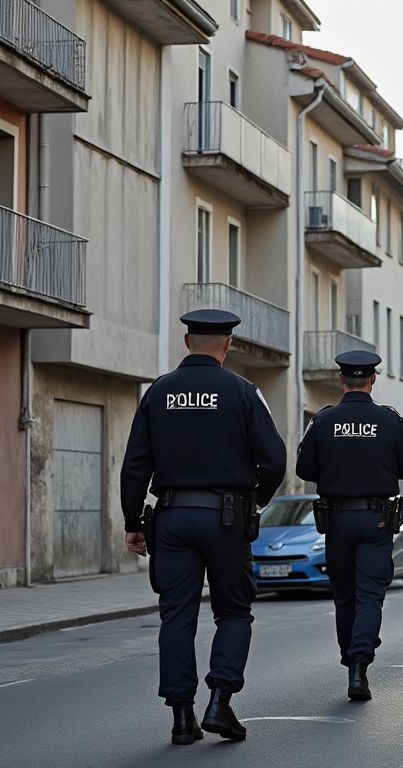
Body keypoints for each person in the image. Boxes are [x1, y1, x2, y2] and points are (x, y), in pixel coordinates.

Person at [120, 309, 287, 745]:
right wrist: (255, 501)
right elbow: (274, 459)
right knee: (233, 610)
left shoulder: (159, 392)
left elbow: (135, 464)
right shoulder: (243, 391)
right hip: (227, 518)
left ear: (186, 340)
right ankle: (220, 701)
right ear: (228, 344)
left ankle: (181, 716)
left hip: (172, 519)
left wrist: (133, 521)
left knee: (176, 616)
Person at [296, 350, 403, 702]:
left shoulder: (322, 420)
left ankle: (350, 656)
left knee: (345, 595)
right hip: (376, 518)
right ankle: (359, 668)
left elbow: (305, 470)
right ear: (373, 379)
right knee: (369, 596)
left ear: (341, 379)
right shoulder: (390, 419)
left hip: (336, 519)